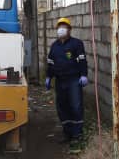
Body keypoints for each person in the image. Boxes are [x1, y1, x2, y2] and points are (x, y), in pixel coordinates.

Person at [45, 17, 89, 151]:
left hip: (74, 80)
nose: (61, 29)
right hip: (60, 81)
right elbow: (50, 63)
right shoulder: (54, 46)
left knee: (75, 106)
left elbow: (82, 60)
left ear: (69, 30)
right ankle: (67, 133)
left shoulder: (77, 44)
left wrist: (83, 75)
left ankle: (77, 134)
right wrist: (48, 77)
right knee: (62, 107)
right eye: (59, 27)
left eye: (64, 27)